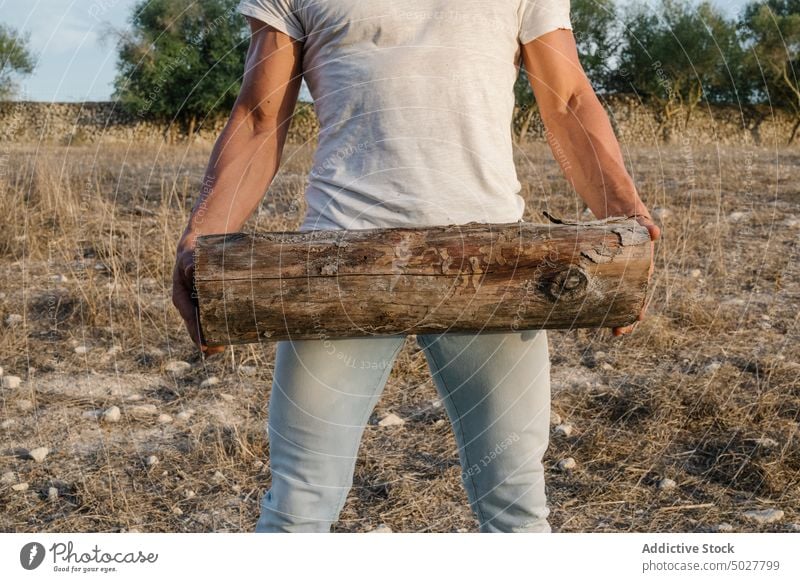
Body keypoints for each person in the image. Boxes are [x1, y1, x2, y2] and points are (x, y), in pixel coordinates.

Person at [172, 0, 660, 533]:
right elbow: (261, 113)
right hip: (343, 270)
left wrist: (624, 223)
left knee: (506, 504)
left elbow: (566, 100)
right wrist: (201, 235)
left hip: (491, 267)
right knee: (306, 506)